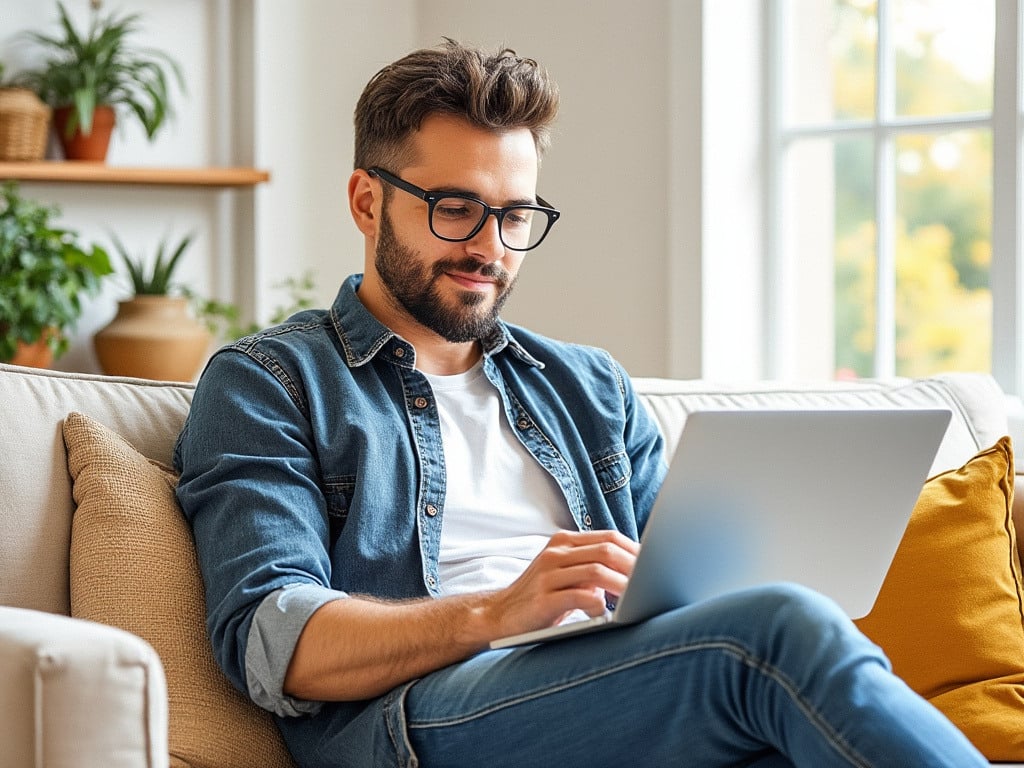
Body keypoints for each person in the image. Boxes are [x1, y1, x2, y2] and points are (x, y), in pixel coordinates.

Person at [174, 39, 987, 768]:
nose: (489, 246)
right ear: (366, 200)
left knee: (790, 698)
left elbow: (689, 594)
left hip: (622, 690)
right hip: (414, 719)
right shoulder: (271, 380)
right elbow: (274, 642)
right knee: (780, 630)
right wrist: (499, 610)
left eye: (515, 214)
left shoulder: (588, 385)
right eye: (455, 208)